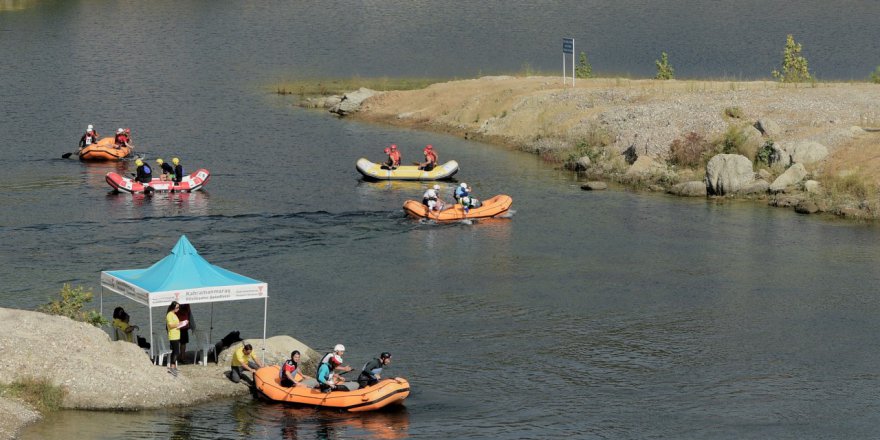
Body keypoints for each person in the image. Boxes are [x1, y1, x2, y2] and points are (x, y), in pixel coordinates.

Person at [166, 301, 188, 376]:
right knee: (176, 352)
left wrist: (183, 322)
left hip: (177, 335)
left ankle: (174, 366)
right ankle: (172, 367)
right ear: (173, 307)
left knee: (175, 351)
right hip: (173, 336)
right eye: (177, 307)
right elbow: (171, 325)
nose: (178, 309)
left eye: (179, 307)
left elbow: (176, 323)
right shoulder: (169, 315)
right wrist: (179, 324)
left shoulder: (174, 314)